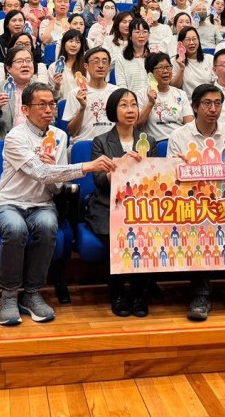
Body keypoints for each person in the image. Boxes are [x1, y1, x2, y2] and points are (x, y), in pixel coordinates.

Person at [0, 82, 114, 326]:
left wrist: (55, 171)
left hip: (41, 203)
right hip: (7, 203)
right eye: (41, 104)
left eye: (52, 104)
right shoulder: (15, 136)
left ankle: (32, 293)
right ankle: (9, 295)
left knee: (47, 225)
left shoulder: (60, 136)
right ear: (25, 109)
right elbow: (41, 173)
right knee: (15, 229)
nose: (49, 109)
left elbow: (55, 186)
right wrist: (85, 166)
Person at [166, 84, 225, 321]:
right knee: (197, 221)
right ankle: (200, 291)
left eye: (217, 103)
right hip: (191, 201)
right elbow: (170, 177)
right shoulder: (179, 136)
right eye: (207, 103)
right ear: (194, 107)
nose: (213, 108)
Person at [88, 88, 158, 317]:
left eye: (133, 104)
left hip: (141, 205)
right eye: (124, 105)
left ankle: (139, 293)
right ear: (112, 110)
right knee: (117, 233)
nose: (130, 110)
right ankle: (117, 292)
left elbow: (155, 179)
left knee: (146, 231)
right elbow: (100, 182)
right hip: (108, 205)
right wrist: (121, 167)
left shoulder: (149, 141)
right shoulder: (101, 142)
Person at [0, 45, 38, 141]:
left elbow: (50, 123)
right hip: (4, 145)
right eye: (19, 61)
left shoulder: (40, 89)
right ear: (8, 68)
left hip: (34, 144)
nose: (25, 65)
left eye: (28, 60)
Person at [64, 47, 116, 142]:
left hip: (110, 145)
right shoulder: (75, 94)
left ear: (109, 66)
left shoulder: (117, 93)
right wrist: (82, 108)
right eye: (96, 61)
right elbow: (72, 131)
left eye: (104, 62)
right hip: (84, 143)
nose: (101, 66)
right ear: (86, 66)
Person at [139, 52, 193, 140]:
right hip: (155, 145)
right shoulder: (142, 94)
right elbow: (137, 125)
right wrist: (150, 104)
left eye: (168, 67)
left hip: (178, 142)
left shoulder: (181, 94)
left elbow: (189, 125)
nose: (166, 71)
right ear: (150, 73)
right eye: (160, 68)